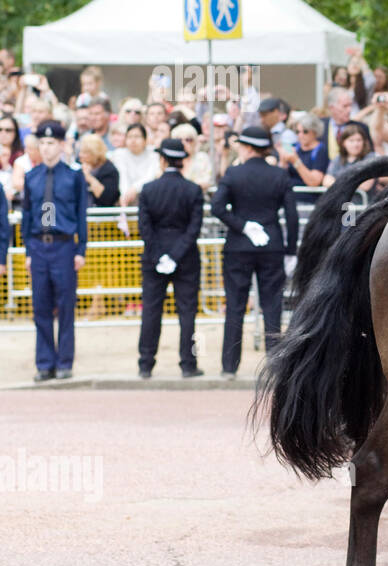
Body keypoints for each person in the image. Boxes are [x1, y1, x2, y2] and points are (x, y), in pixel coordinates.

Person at [210, 125, 298, 379]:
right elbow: (291, 216)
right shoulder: (279, 175)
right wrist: (290, 249)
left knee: (235, 306)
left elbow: (217, 207)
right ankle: (275, 365)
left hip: (238, 246)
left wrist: (242, 226)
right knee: (272, 305)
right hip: (271, 245)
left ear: (247, 147)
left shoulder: (234, 173)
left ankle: (229, 367)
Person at [22, 120, 88, 381]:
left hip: (63, 245)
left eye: (51, 143)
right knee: (41, 306)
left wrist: (80, 248)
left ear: (61, 145)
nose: (46, 148)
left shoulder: (73, 177)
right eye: (43, 143)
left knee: (65, 305)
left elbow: (80, 214)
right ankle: (44, 362)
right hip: (39, 245)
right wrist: (28, 249)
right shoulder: (31, 177)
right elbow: (27, 215)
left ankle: (64, 361)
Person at [136, 138, 205, 379]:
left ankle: (145, 364)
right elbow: (194, 228)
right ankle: (188, 364)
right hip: (185, 258)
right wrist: (175, 255)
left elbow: (145, 228)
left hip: (155, 258)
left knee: (151, 311)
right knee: (187, 313)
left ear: (163, 159)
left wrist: (159, 255)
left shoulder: (148, 189)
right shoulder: (193, 190)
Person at [281, 112, 330, 207]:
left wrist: (296, 161)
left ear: (315, 132)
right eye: (297, 132)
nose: (301, 135)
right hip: (289, 200)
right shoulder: (294, 147)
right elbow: (282, 176)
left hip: (308, 202)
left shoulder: (320, 150)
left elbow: (314, 182)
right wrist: (283, 162)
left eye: (305, 131)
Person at [110, 122, 158, 205]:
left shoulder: (154, 154)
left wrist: (134, 189)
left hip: (149, 197)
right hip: (126, 198)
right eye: (129, 137)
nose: (133, 140)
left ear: (145, 140)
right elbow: (122, 176)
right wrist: (125, 194)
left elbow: (150, 176)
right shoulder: (119, 154)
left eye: (137, 137)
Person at [323, 121, 377, 191]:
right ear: (343, 143)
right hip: (342, 201)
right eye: (351, 141)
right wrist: (352, 184)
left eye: (359, 140)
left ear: (364, 142)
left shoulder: (370, 158)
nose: (355, 144)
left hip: (361, 201)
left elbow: (365, 186)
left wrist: (338, 184)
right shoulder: (338, 158)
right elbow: (326, 181)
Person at [77, 134, 121, 207]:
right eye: (80, 152)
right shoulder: (79, 167)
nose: (80, 155)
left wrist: (89, 177)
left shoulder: (110, 170)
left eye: (84, 152)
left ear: (95, 153)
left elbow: (107, 199)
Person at [170, 123, 213, 190]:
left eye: (188, 140)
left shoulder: (202, 158)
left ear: (195, 141)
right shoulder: (170, 158)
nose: (184, 143)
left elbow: (207, 181)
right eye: (179, 140)